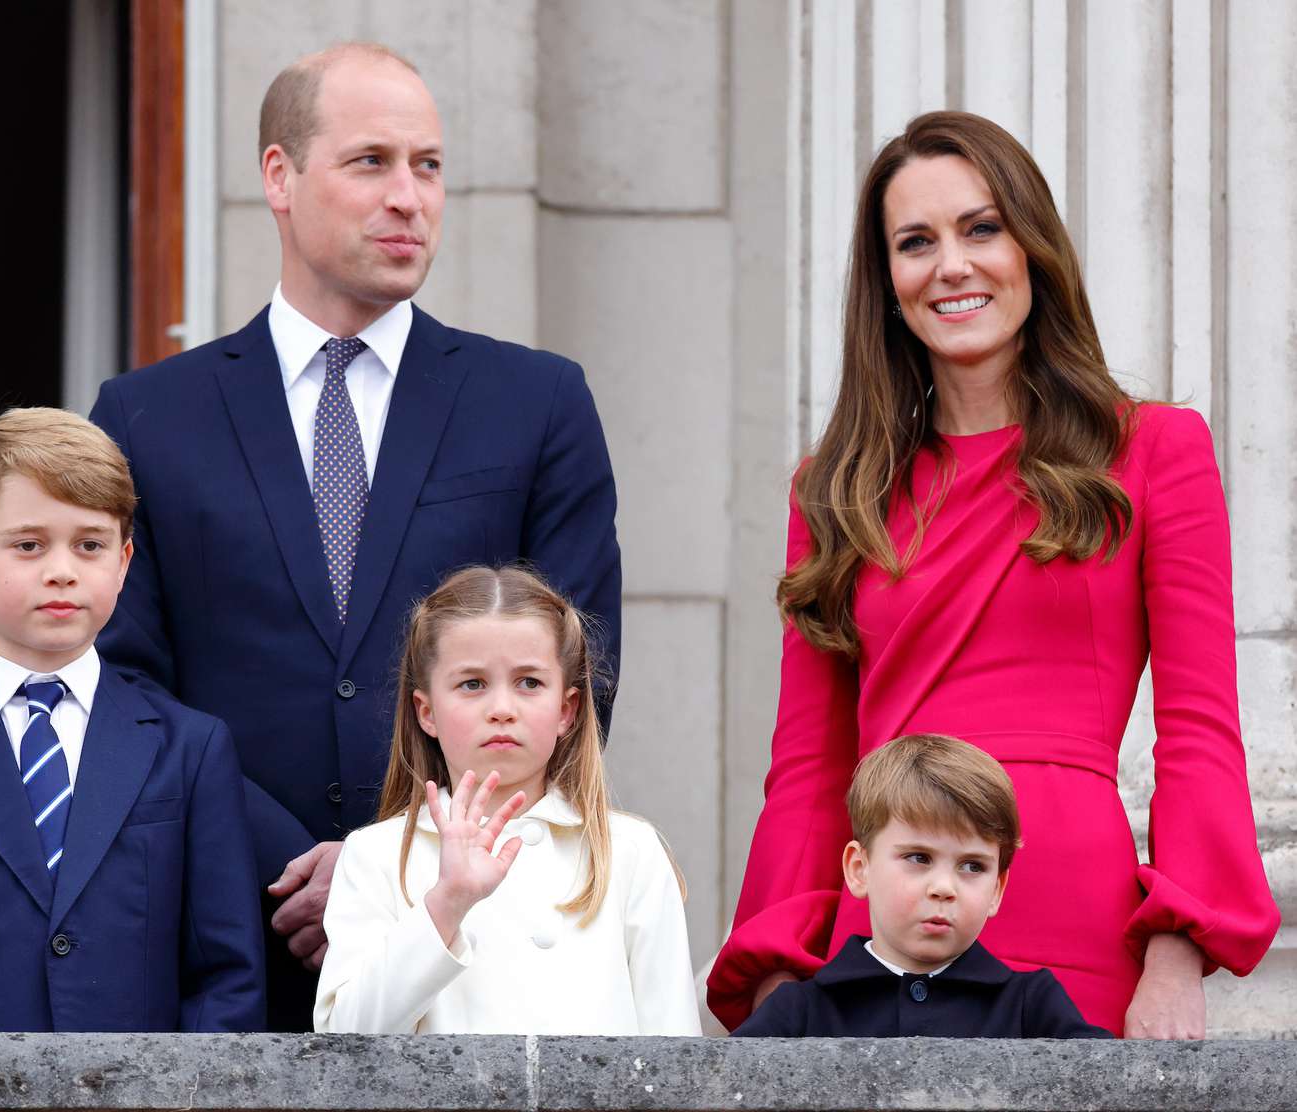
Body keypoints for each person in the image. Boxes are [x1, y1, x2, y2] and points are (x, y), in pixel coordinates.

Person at [708, 111, 1279, 1038]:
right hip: (885, 930)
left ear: (1033, 248)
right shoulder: (835, 492)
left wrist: (1178, 954)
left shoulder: (1155, 452)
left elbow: (1200, 730)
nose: (953, 265)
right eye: (916, 243)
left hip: (1076, 922)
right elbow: (810, 766)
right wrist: (779, 971)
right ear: (887, 284)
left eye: (982, 228)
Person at [89, 42, 621, 1029]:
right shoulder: (146, 416)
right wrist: (283, 864)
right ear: (279, 177)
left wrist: (390, 869)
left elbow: (578, 671)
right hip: (219, 943)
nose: (409, 196)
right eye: (371, 161)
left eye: (428, 165)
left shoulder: (536, 404)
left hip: (473, 947)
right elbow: (119, 685)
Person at [0, 408, 264, 1032]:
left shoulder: (191, 748)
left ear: (123, 562)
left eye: (90, 544)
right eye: (29, 545)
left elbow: (226, 973)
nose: (61, 568)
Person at [313, 566, 698, 1034]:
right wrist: (446, 904)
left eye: (529, 683)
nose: (501, 708)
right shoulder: (375, 855)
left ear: (567, 710)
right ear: (427, 712)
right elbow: (344, 1042)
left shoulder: (630, 852)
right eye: (472, 684)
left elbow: (675, 1057)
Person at [734, 734, 1109, 1038]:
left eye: (972, 866)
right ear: (859, 869)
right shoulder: (800, 1011)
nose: (944, 887)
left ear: (997, 888)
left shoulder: (1032, 1005)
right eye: (918, 858)